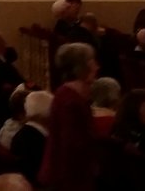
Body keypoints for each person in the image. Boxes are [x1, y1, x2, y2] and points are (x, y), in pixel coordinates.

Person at [40, 43, 99, 191]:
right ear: (82, 66)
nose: (97, 67)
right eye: (92, 61)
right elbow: (71, 148)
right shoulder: (70, 100)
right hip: (69, 180)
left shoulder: (67, 94)